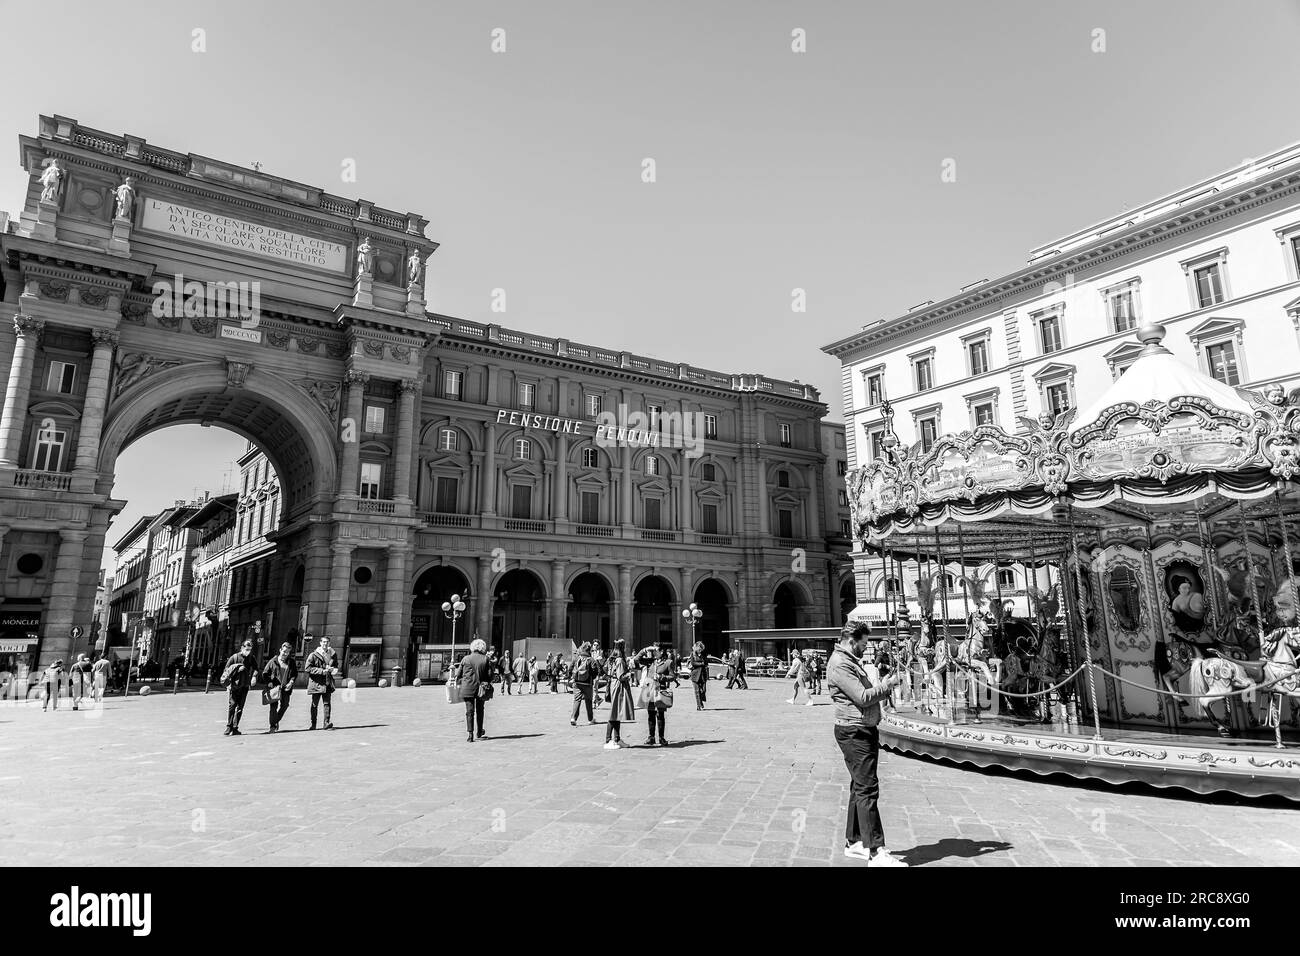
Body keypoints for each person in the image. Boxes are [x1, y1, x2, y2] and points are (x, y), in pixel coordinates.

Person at [829, 620, 907, 866]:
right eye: (863, 644)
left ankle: (854, 842)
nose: (865, 648)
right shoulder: (841, 664)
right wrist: (888, 686)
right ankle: (876, 851)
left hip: (860, 728)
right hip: (855, 732)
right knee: (867, 789)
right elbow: (862, 697)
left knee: (859, 786)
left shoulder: (849, 661)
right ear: (852, 641)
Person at [603, 639, 635, 749]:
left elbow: (605, 669)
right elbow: (621, 677)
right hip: (618, 687)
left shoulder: (611, 658)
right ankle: (608, 740)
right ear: (622, 647)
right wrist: (630, 673)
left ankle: (617, 739)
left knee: (616, 713)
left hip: (612, 685)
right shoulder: (620, 659)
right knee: (614, 713)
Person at [459, 638, 493, 742]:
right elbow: (490, 676)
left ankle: (470, 735)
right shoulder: (486, 659)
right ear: (483, 647)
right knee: (480, 710)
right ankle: (479, 732)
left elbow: (458, 675)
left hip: (467, 688)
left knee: (469, 712)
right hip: (480, 689)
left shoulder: (465, 659)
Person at [220, 640, 256, 735]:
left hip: (245, 686)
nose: (248, 651)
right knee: (232, 706)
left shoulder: (251, 658)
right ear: (242, 648)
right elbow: (226, 670)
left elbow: (256, 668)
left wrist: (254, 677)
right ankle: (229, 726)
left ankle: (235, 727)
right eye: (246, 649)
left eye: (249, 649)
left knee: (240, 707)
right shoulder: (234, 657)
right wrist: (228, 684)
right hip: (234, 686)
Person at [261, 642, 298, 733]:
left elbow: (294, 674)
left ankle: (276, 720)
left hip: (285, 688)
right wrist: (269, 682)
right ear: (280, 650)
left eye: (287, 652)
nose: (285, 653)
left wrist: (291, 682)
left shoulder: (291, 662)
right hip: (274, 688)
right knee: (273, 707)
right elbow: (265, 673)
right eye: (284, 651)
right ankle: (272, 726)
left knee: (285, 705)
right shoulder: (273, 661)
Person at [644, 645, 678, 745]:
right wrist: (646, 649)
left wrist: (661, 677)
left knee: (660, 714)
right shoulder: (650, 661)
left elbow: (672, 676)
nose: (654, 652)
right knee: (650, 714)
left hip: (660, 690)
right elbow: (637, 659)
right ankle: (651, 737)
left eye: (656, 650)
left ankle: (661, 738)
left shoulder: (668, 662)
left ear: (662, 651)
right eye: (653, 650)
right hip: (649, 690)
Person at [304, 635, 339, 730]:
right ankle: (313, 724)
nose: (325, 644)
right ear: (320, 643)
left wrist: (333, 670)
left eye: (327, 642)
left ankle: (326, 723)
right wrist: (321, 671)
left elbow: (336, 666)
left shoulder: (333, 654)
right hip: (316, 683)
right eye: (324, 642)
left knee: (327, 703)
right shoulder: (314, 654)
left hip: (327, 682)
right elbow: (307, 668)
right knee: (314, 704)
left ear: (329, 643)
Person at [570, 642, 597, 725]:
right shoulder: (591, 659)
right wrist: (591, 677)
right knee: (588, 701)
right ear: (589, 650)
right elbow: (595, 672)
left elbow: (570, 668)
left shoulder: (576, 658)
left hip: (577, 682)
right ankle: (590, 719)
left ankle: (573, 718)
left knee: (577, 700)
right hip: (587, 683)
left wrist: (572, 676)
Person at [689, 641, 709, 710]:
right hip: (695, 675)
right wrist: (701, 664)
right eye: (699, 649)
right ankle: (699, 705)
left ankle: (700, 702)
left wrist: (703, 662)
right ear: (696, 648)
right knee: (697, 691)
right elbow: (693, 663)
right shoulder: (693, 654)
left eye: (701, 649)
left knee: (703, 690)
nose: (700, 650)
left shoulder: (704, 654)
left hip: (703, 675)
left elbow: (706, 662)